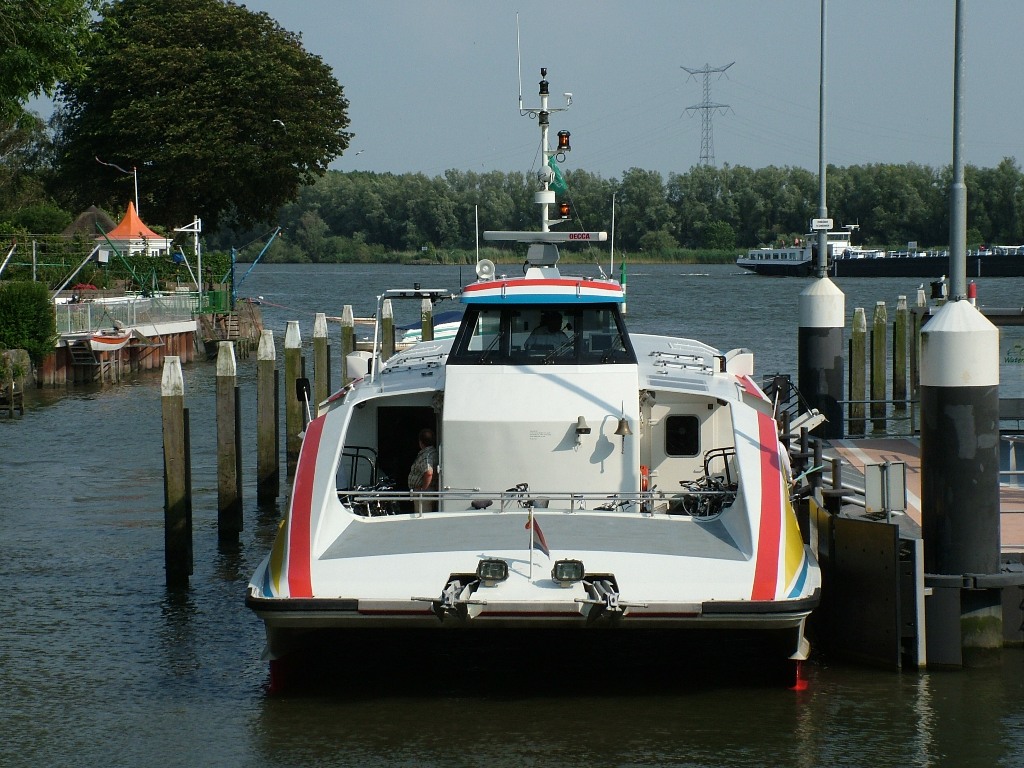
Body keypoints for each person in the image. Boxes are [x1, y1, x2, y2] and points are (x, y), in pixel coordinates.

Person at [407, 428, 438, 513]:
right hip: (429, 491)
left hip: (424, 493)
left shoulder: (426, 455)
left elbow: (429, 473)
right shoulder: (433, 452)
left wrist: (422, 490)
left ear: (421, 442)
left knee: (422, 516)